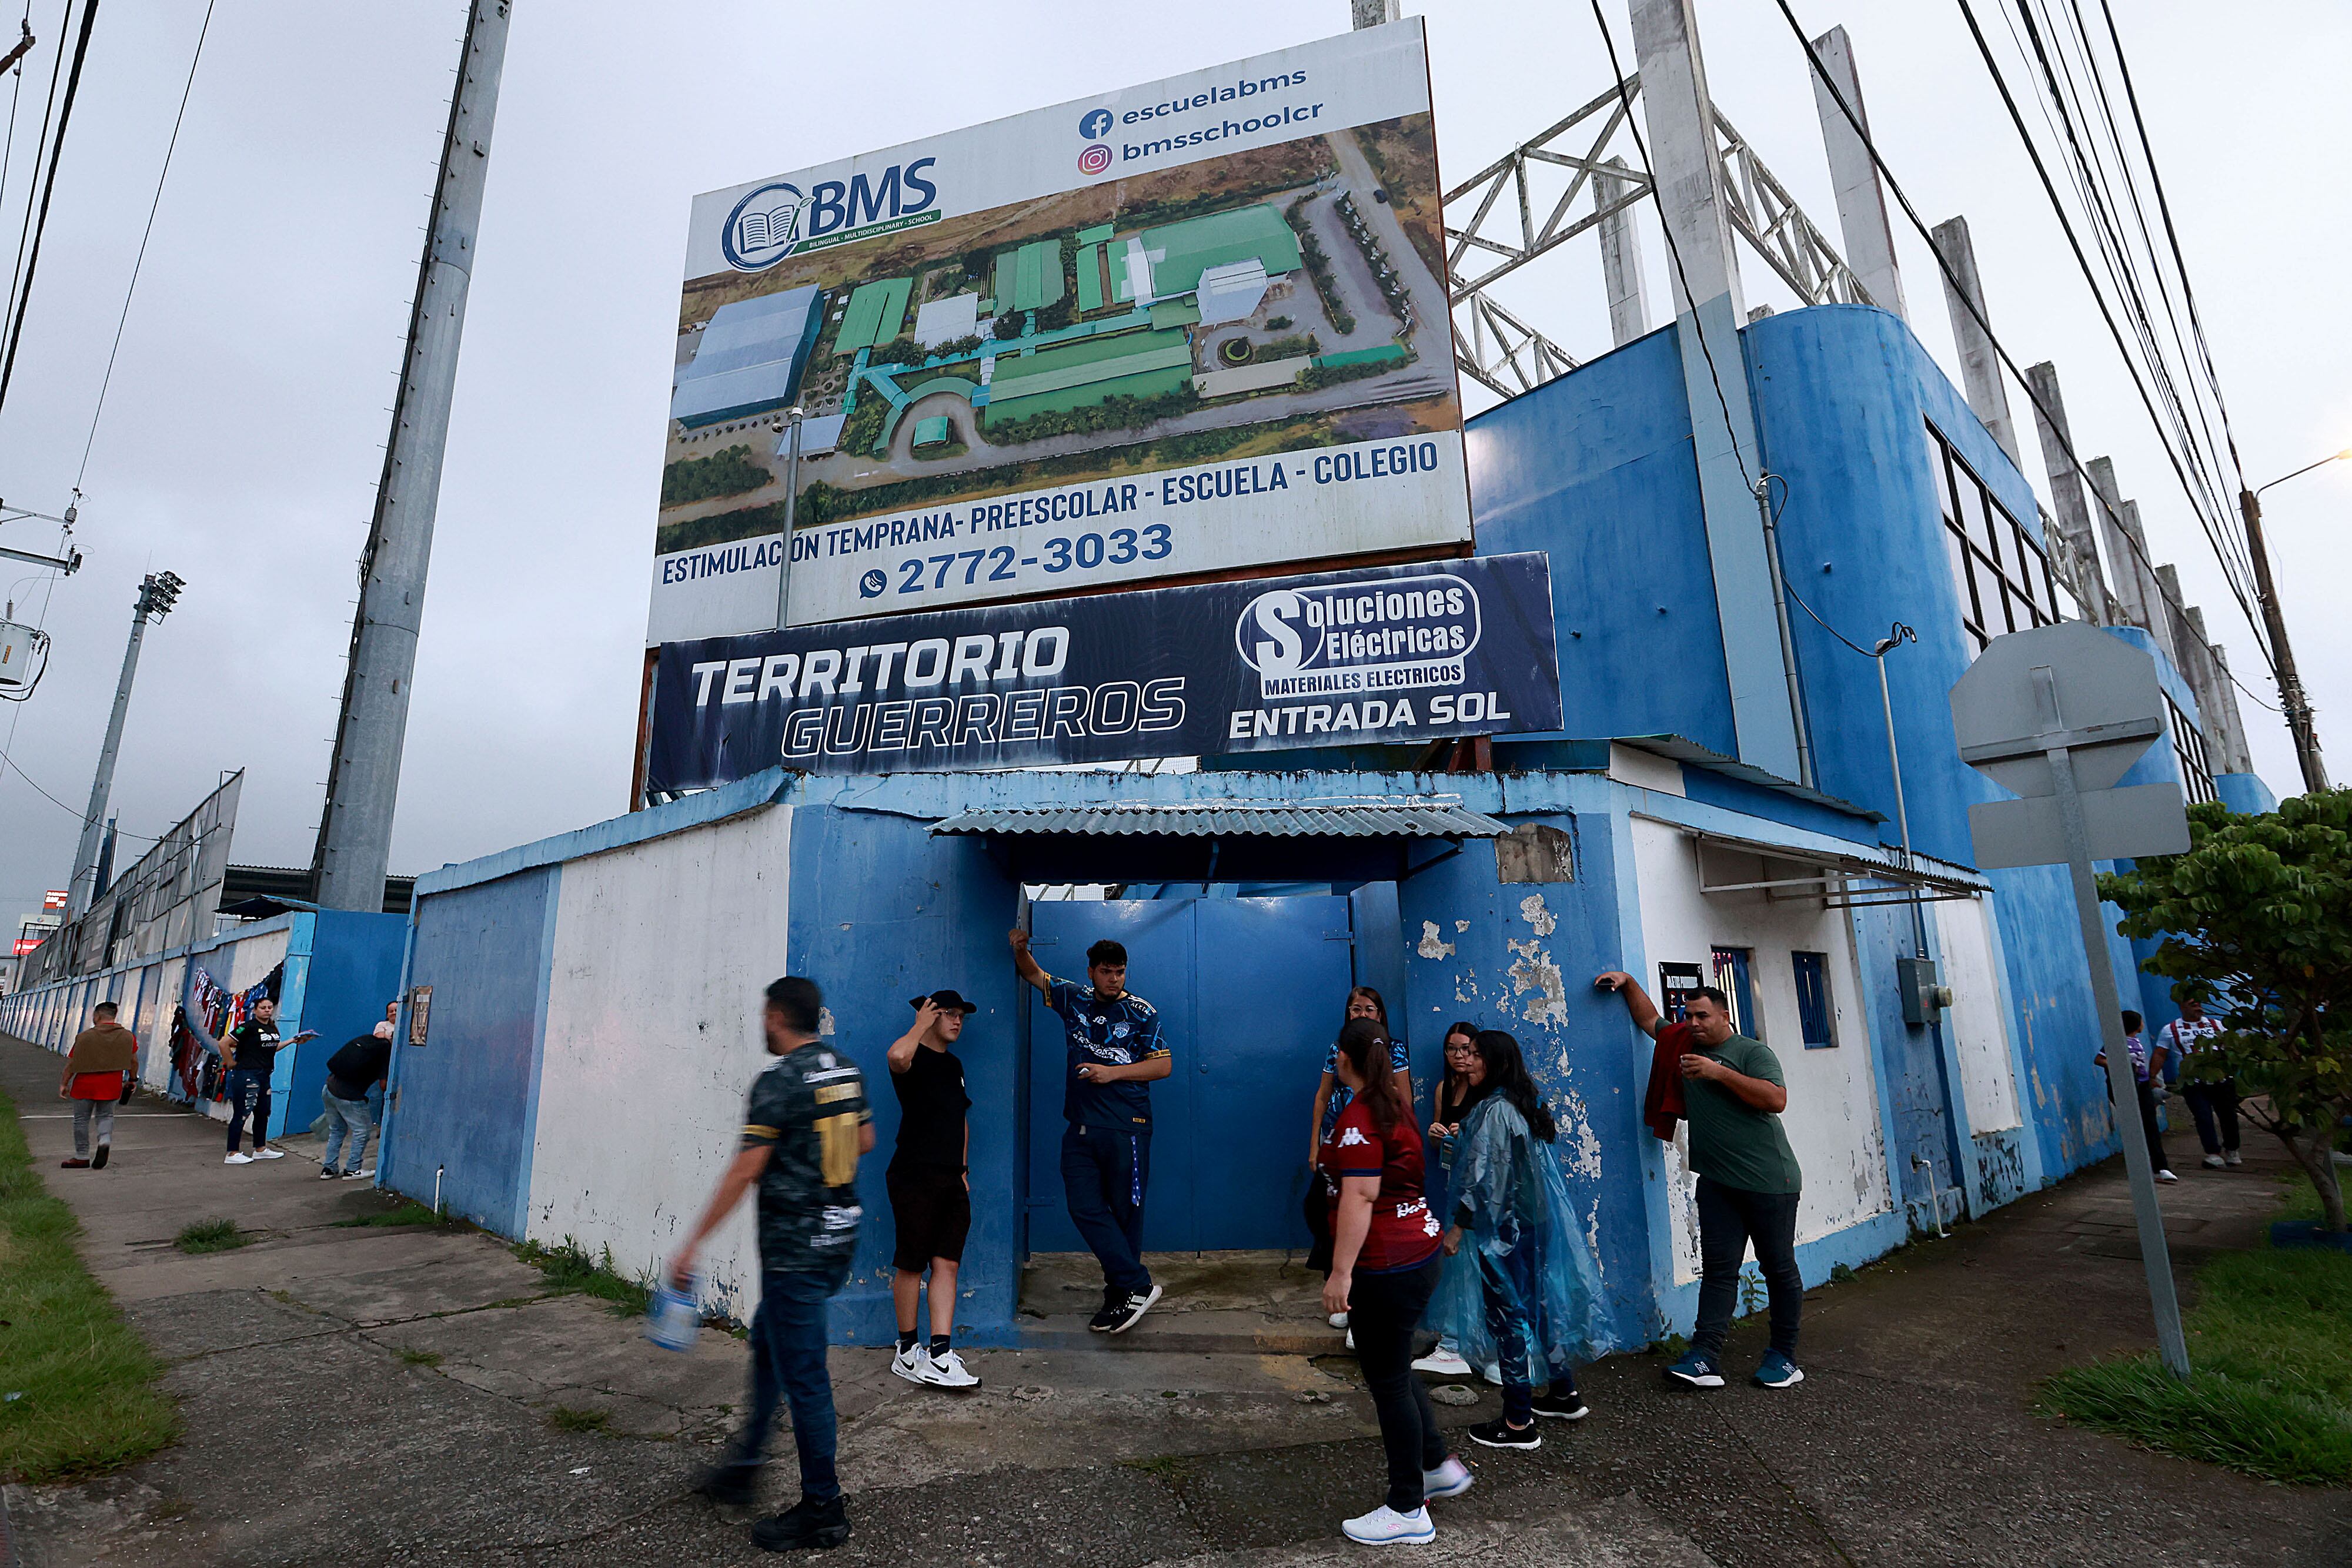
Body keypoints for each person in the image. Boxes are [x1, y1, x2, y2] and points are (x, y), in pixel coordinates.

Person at [675, 976, 873, 1552]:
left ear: (779, 1016)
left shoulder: (779, 1082)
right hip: (837, 1239)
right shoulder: (845, 1069)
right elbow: (865, 1140)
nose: (762, 1025)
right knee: (769, 1345)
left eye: (766, 1015)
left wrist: (691, 1244)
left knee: (805, 1377)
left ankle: (823, 1508)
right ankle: (746, 1464)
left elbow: (745, 1170)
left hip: (796, 1253)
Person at [1598, 972, 1805, 1391]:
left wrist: (1717, 1073)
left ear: (1725, 1015)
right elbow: (1651, 1021)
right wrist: (1629, 982)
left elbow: (1776, 1099)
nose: (1693, 1023)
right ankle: (1705, 1357)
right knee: (1718, 1272)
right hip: (1717, 1183)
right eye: (1689, 1015)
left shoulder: (1750, 1051)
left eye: (1702, 1015)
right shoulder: (1682, 1044)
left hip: (1770, 1181)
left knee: (1778, 1269)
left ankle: (1783, 1356)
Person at [1319, 1017, 1468, 1544]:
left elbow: (1360, 1196)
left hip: (1386, 1264)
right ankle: (1435, 1466)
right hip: (1417, 1253)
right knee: (1394, 1368)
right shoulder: (1395, 1104)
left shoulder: (1360, 1117)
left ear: (1343, 1060)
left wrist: (1340, 1273)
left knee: (1386, 1381)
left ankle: (1408, 1507)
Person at [1445, 1029, 1608, 1448]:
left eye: (1477, 1055)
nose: (1468, 1061)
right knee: (1538, 1306)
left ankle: (1518, 1420)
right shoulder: (1521, 1103)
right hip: (1532, 1221)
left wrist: (1458, 1227)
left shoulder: (1496, 1110)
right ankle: (1563, 1392)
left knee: (1509, 1317)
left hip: (1506, 1229)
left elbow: (1482, 1176)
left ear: (1496, 1062)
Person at [1011, 927, 1171, 1333]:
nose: (1114, 978)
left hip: (1127, 1127)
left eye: (1120, 971)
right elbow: (1034, 974)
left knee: (1126, 1215)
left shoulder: (1142, 1011)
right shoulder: (1074, 997)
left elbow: (1163, 1065)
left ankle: (1119, 1296)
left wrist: (1112, 1073)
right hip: (1081, 1127)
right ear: (1092, 971)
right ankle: (1137, 1284)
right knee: (1083, 1206)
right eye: (1106, 971)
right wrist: (1019, 948)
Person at [886, 989, 981, 1390]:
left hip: (950, 1177)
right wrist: (920, 1023)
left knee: (948, 1263)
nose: (957, 1021)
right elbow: (896, 1057)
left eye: (961, 1015)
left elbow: (961, 1118)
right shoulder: (911, 1057)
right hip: (914, 1173)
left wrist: (962, 1170)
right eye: (949, 1014)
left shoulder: (955, 1065)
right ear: (931, 1015)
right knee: (912, 1263)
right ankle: (907, 1350)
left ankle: (940, 1354)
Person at [1305, 987, 1412, 1323]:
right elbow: (1322, 1098)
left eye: (1369, 1010)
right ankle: (1340, 1290)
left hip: (1372, 1145)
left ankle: (1363, 1306)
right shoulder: (1338, 1051)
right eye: (1355, 1010)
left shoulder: (1394, 1051)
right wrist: (1315, 1146)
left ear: (1380, 1015)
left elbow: (1404, 1101)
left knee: (1364, 1214)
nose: (1362, 1015)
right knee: (1327, 1214)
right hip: (1336, 1144)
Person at [1411, 1021, 1484, 1378]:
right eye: (1452, 1049)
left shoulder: (1485, 1089)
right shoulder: (1445, 1088)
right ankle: (1458, 1344)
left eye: (1466, 1049)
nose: (1459, 1056)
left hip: (1481, 1188)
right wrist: (1436, 1133)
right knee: (1459, 1266)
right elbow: (1438, 1143)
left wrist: (1466, 1132)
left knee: (1476, 1265)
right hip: (1456, 1183)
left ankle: (1461, 1346)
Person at [223, 997, 309, 1165]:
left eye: (270, 1007)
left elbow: (272, 1047)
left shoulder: (271, 1028)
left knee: (263, 1112)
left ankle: (260, 1149)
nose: (268, 1010)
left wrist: (292, 1041)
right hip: (247, 1074)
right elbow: (224, 1043)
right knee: (242, 1113)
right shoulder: (247, 1027)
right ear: (255, 1010)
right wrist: (231, 1063)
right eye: (263, 1008)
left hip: (265, 1075)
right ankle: (232, 1153)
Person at [2097, 1009, 2177, 1185]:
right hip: (2127, 1086)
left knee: (2150, 1125)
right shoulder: (2118, 1042)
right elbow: (2100, 1059)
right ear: (2136, 1024)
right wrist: (2120, 1067)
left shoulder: (2135, 1042)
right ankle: (2144, 1166)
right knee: (2136, 1125)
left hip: (2142, 1086)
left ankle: (2160, 1168)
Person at [2160, 995, 2238, 1171]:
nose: (2198, 1008)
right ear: (2182, 1008)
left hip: (2221, 1080)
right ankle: (2213, 1154)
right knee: (2203, 1117)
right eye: (2192, 1004)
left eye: (2199, 1004)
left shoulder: (2217, 1025)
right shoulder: (2171, 1029)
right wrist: (2152, 1077)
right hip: (2193, 1083)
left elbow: (2230, 1048)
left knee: (2228, 1116)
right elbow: (2160, 1054)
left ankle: (2232, 1149)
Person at [58, 1001, 139, 1169]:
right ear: (114, 1016)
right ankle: (105, 1140)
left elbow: (72, 1064)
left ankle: (81, 1157)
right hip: (111, 1084)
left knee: (81, 1120)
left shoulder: (85, 1037)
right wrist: (132, 1079)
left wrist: (64, 1084)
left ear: (98, 1016)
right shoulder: (127, 1036)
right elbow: (133, 1060)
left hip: (84, 1084)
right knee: (106, 1116)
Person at [319, 1012, 395, 1180]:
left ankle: (329, 1169)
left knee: (337, 1130)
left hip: (329, 1087)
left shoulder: (366, 1040)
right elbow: (383, 1085)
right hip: (349, 1096)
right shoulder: (385, 1052)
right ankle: (353, 1169)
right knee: (362, 1131)